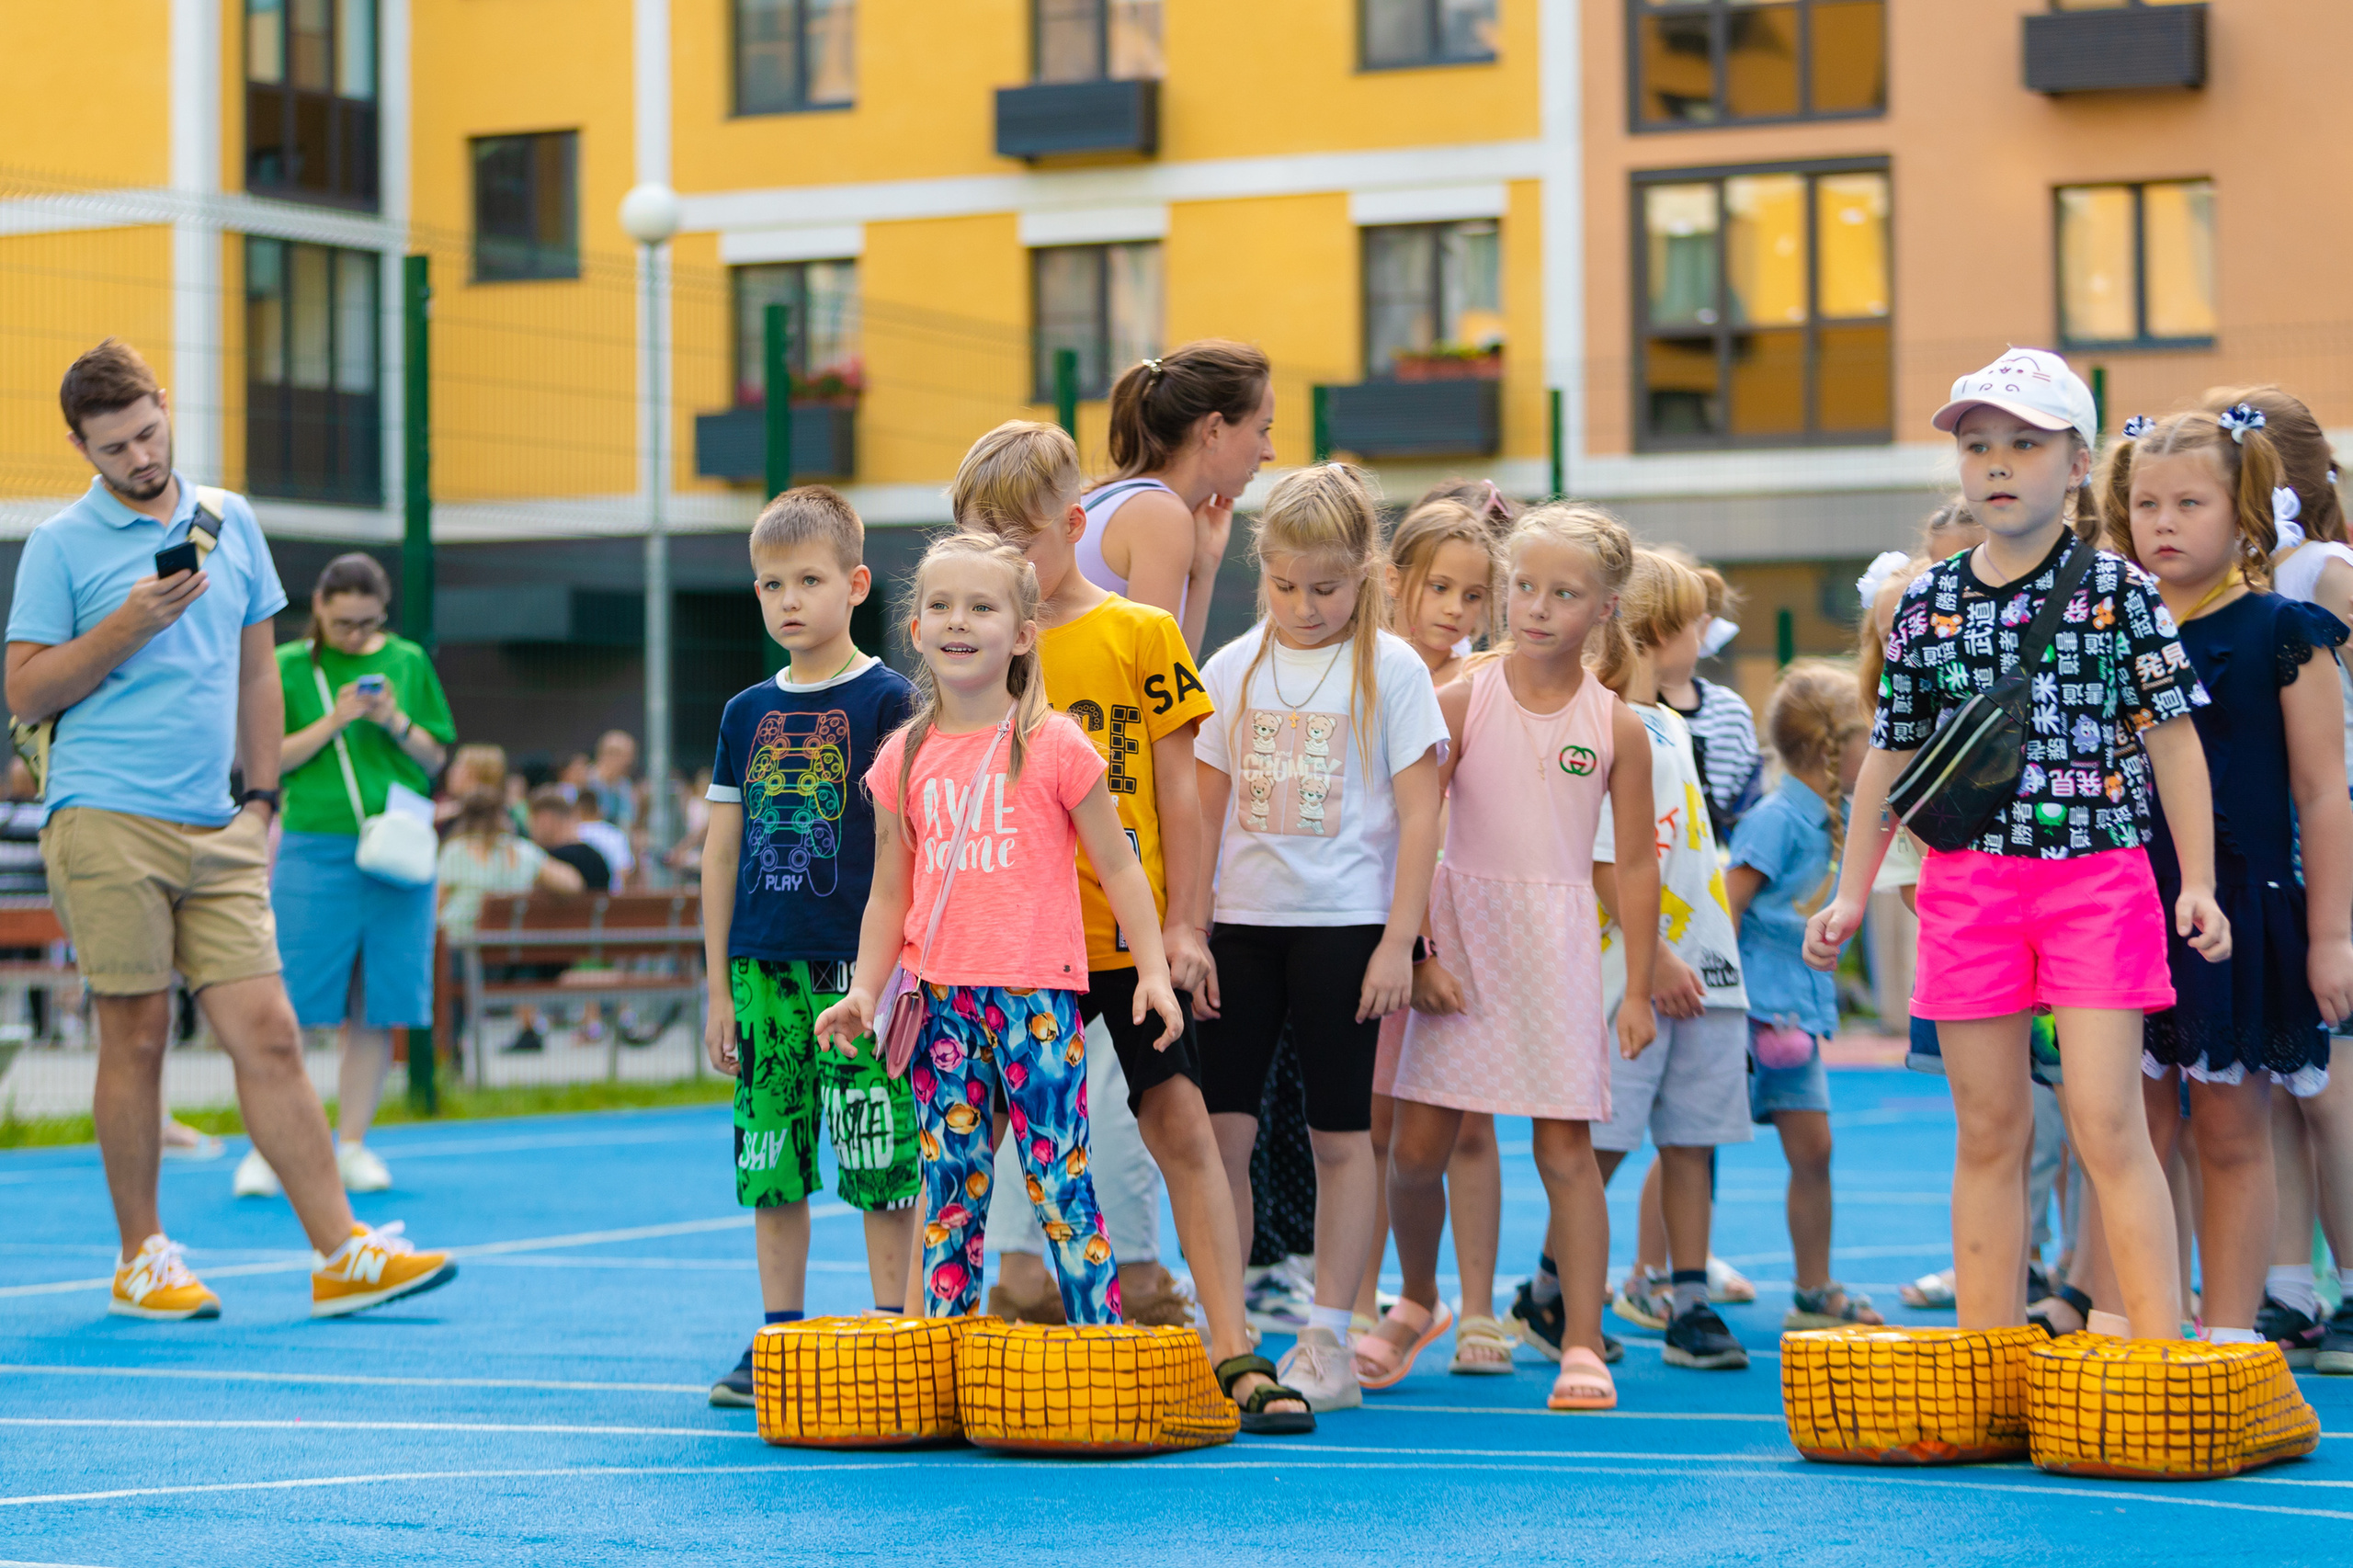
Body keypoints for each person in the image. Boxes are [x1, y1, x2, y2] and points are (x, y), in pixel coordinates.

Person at [6, 338, 454, 1319]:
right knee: (137, 1033)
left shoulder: (229, 520)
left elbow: (259, 673)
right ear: (80, 446)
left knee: (274, 1033)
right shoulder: (60, 547)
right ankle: (142, 1256)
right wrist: (128, 623)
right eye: (114, 446)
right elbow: (27, 688)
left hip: (219, 821)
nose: (140, 458)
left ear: (166, 407)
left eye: (149, 432)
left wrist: (261, 803)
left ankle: (341, 1251)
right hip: (104, 814)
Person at [1807, 348, 2225, 1341]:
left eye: (2024, 444)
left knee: (2105, 1118)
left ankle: (2160, 1346)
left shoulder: (2121, 590)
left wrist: (2196, 880)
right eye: (1978, 444)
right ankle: (1985, 1355)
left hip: (2097, 877)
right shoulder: (1925, 601)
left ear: (2077, 464)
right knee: (1988, 1127)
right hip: (1968, 886)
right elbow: (1888, 753)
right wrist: (1849, 890)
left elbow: (2173, 737)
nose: (1996, 463)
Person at [952, 422, 1313, 1433]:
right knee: (983, 1136)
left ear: (1071, 523)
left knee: (1182, 1126)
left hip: (1124, 939)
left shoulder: (1139, 636)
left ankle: (1230, 1343)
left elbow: (1184, 797)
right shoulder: (974, 655)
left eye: (1018, 542)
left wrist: (1188, 923)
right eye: (980, 547)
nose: (1001, 569)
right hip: (1014, 945)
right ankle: (947, 1332)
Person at [814, 532, 1185, 1324]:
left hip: (1036, 1002)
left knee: (1061, 1184)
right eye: (940, 606)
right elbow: (888, 896)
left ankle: (1098, 1346)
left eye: (982, 607)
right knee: (949, 1190)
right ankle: (943, 1355)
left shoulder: (1053, 744)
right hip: (942, 1002)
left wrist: (1151, 969)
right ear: (915, 629)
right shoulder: (901, 757)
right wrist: (863, 992)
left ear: (1021, 634)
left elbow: (1119, 865)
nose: (958, 621)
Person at [1375, 503, 1659, 1412]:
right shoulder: (1460, 696)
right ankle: (1418, 1298)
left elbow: (1637, 859)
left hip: (1555, 945)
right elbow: (1407, 825)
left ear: (1604, 606)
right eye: (1524, 587)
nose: (1535, 607)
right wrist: (1416, 949)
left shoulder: (1617, 727)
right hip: (1460, 938)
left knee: (1564, 1148)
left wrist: (1640, 986)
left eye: (1562, 593)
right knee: (1418, 1144)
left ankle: (1581, 1339)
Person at [1191, 463, 1449, 1412]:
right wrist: (1190, 929)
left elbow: (1421, 817)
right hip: (1240, 933)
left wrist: (1398, 942)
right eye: (1285, 585)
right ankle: (1228, 1336)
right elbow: (1203, 816)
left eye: (1327, 588)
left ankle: (1327, 1339)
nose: (1305, 606)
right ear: (1263, 570)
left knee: (1342, 1137)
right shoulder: (1233, 667)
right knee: (1221, 1135)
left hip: (1344, 929)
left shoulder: (1395, 670)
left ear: (1365, 572)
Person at [2098, 403, 2353, 1345]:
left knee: (2231, 1127)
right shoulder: (2110, 632)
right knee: (2131, 1130)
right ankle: (2138, 1322)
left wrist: (2331, 934)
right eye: (2146, 504)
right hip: (2118, 908)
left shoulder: (2284, 630)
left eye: (2189, 503)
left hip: (2237, 910)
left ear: (2246, 512)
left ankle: (2236, 1331)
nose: (2162, 523)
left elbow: (2325, 793)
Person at [699, 486, 921, 1407]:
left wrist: (896, 968)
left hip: (857, 972)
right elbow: (721, 848)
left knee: (878, 1153)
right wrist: (717, 986)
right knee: (771, 1155)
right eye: (769, 584)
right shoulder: (744, 711)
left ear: (855, 584)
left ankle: (888, 1330)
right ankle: (778, 1337)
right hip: (762, 968)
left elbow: (906, 843)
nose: (788, 599)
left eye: (808, 579)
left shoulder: (891, 699)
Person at [1574, 550, 1755, 1370]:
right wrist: (1659, 960)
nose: (1706, 634)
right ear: (1654, 630)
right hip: (1634, 973)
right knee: (1604, 1142)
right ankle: (1553, 1285)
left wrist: (1697, 956)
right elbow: (1605, 859)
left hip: (1706, 968)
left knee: (1694, 1139)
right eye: (1694, 620)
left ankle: (1688, 1299)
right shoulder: (1603, 724)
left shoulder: (1674, 726)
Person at [2206, 387, 2353, 1369]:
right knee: (2279, 1071)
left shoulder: (2322, 573)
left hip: (2320, 837)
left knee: (2330, 1085)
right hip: (2257, 848)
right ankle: (2289, 1286)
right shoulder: (2223, 584)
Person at [241, 552, 455, 1199]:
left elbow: (435, 755)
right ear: (319, 613)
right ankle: (270, 1147)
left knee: (376, 1000)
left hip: (397, 845)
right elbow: (266, 759)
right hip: (315, 845)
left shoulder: (409, 661)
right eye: (341, 623)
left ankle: (353, 1143)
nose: (354, 636)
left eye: (367, 623)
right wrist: (335, 718)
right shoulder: (284, 665)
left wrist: (392, 717)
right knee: (294, 1001)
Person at [1358, 496, 1506, 1355]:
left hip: (1466, 920)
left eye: (1474, 594)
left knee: (1469, 1126)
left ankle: (1478, 1305)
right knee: (1378, 1129)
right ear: (1396, 582)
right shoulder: (1366, 675)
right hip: (1379, 921)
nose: (1455, 609)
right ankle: (1399, 1299)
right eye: (1439, 588)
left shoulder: (1490, 686)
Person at [1728, 659, 1884, 1332]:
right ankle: (1657, 1273)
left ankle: (1813, 1287)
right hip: (1750, 1014)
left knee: (1814, 1148)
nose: (1877, 747)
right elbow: (1726, 907)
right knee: (1691, 1144)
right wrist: (1723, 1004)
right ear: (1831, 747)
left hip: (1796, 1016)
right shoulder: (1777, 819)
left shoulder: (1846, 815)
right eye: (1867, 737)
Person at [1080, 340, 1276, 653]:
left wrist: (1204, 570)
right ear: (1213, 430)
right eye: (1262, 429)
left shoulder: (1113, 498)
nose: (1270, 452)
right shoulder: (1159, 514)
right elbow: (1157, 683)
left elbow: (1175, 672)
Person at [438, 777, 585, 1054]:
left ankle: (448, 1047)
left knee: (440, 958)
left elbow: (436, 908)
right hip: (509, 960)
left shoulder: (455, 852)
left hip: (462, 958)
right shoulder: (522, 851)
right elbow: (572, 883)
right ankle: (528, 1027)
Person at [1654, 551, 1762, 840]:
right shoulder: (1616, 706)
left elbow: (1748, 805)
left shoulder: (1730, 711)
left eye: (1669, 623)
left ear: (1703, 625)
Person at [527, 785, 610, 892]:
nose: (531, 830)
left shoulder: (548, 862)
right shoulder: (597, 859)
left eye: (533, 821)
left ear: (546, 819)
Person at [589, 730, 640, 836]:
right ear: (609, 755)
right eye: (626, 757)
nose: (630, 762)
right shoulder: (586, 783)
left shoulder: (626, 786)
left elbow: (629, 824)